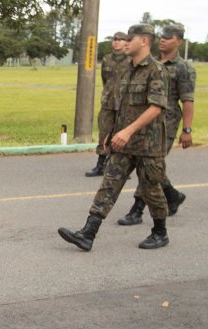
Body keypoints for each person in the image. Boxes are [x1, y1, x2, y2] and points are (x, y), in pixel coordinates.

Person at [58, 24, 170, 251]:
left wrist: (128, 131)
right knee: (109, 184)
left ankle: (160, 232)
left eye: (130, 39)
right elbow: (122, 106)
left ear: (144, 41)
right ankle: (88, 232)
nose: (125, 43)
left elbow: (156, 107)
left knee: (151, 190)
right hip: (123, 142)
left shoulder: (156, 70)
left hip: (148, 144)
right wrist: (112, 132)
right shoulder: (127, 69)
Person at [117, 23, 196, 225]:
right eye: (162, 37)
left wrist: (187, 130)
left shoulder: (183, 68)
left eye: (168, 38)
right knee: (150, 165)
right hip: (144, 121)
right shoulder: (150, 62)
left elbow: (187, 100)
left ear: (179, 42)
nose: (163, 40)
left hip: (165, 124)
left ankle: (137, 209)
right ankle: (172, 195)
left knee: (149, 165)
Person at [86, 32, 130, 177]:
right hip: (108, 102)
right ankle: (101, 165)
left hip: (124, 103)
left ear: (126, 43)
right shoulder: (107, 59)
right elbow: (105, 79)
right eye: (114, 39)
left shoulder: (130, 60)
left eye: (120, 40)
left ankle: (120, 167)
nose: (116, 42)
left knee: (121, 134)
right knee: (104, 132)